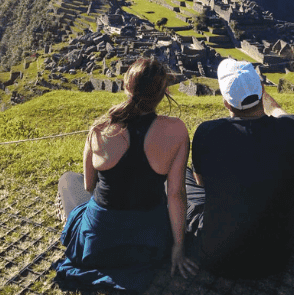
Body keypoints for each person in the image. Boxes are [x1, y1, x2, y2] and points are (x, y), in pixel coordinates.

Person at [53, 57, 198, 294]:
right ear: (163, 94)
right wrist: (178, 249)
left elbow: (90, 185)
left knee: (69, 180)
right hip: (149, 241)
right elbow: (175, 194)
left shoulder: (100, 129)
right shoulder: (177, 130)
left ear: (126, 86)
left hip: (99, 241)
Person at [185, 58, 294, 279]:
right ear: (261, 91)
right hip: (276, 257)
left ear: (226, 103)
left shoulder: (208, 133)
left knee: (182, 176)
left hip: (218, 258)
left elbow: (201, 182)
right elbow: (279, 112)